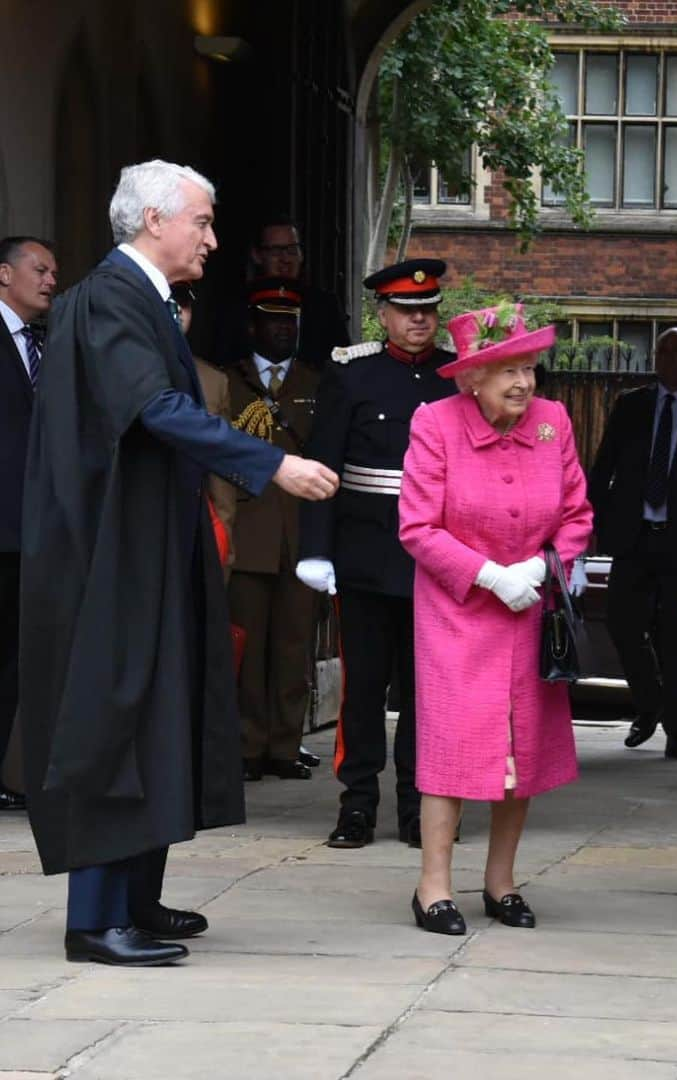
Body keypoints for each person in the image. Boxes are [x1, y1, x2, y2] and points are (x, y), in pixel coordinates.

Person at [20, 159, 339, 968]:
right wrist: (271, 465)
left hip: (151, 541)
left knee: (161, 713)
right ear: (154, 221)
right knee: (110, 717)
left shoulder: (142, 300)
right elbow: (154, 410)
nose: (213, 239)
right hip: (109, 554)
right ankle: (94, 919)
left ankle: (136, 897)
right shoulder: (109, 299)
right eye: (201, 222)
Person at [398, 303, 592, 934]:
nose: (523, 384)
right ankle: (433, 888)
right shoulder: (436, 425)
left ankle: (501, 882)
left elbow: (576, 515)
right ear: (470, 377)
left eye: (529, 368)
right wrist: (488, 575)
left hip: (531, 610)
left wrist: (538, 571)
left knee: (523, 747)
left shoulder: (552, 423)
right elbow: (418, 526)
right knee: (452, 746)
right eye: (507, 369)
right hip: (458, 614)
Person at [298, 258, 457, 849]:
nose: (419, 320)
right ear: (383, 315)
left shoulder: (454, 376)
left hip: (437, 562)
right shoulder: (351, 375)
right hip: (365, 556)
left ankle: (419, 808)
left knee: (426, 693)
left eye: (427, 310)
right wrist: (317, 549)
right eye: (406, 311)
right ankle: (357, 805)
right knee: (363, 690)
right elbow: (322, 464)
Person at [588, 329, 677, 762]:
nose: (669, 359)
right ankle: (647, 702)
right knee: (621, 623)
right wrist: (597, 519)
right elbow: (604, 467)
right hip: (632, 536)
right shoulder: (631, 406)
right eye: (663, 351)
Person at [227, 280, 321, 782]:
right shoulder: (231, 381)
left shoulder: (314, 382)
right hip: (248, 533)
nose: (283, 329)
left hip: (299, 535)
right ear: (253, 325)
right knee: (248, 647)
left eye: (291, 322)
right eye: (273, 320)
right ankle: (248, 744)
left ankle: (287, 745)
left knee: (292, 647)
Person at [0, 236, 57, 812]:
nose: (49, 280)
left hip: (30, 533)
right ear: (3, 274)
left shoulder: (42, 343)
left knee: (18, 661)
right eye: (39, 270)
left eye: (54, 272)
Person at [214, 215, 349, 371]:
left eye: (292, 250)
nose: (285, 259)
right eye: (276, 251)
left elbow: (342, 363)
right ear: (257, 255)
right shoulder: (236, 306)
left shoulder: (324, 305)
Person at [173, 283, 237, 569]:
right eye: (167, 302)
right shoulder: (116, 367)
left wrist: (223, 540)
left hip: (194, 523)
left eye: (183, 304)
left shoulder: (213, 380)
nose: (177, 312)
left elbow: (221, 473)